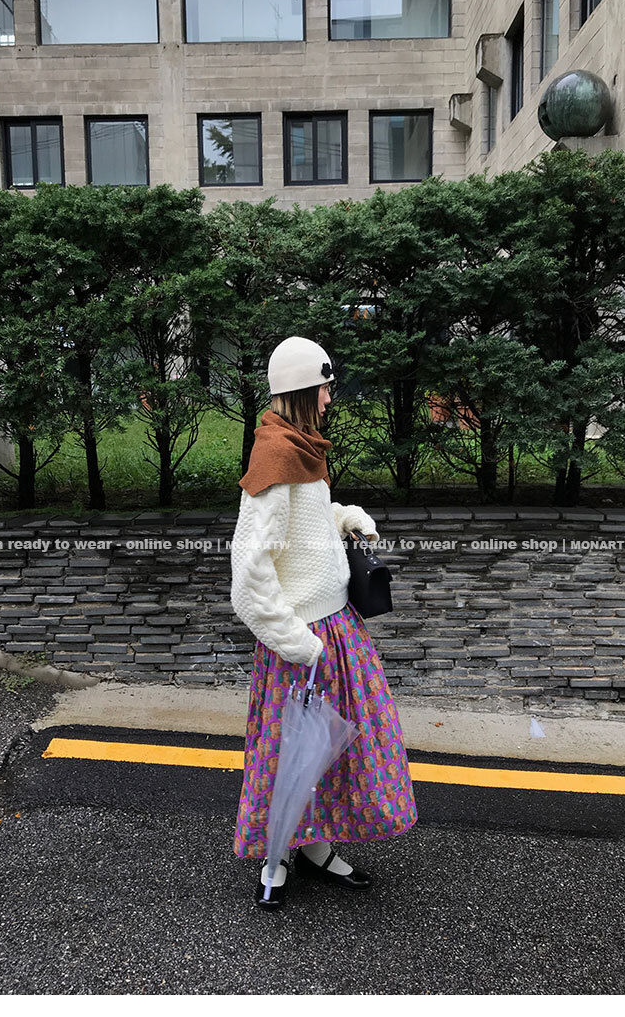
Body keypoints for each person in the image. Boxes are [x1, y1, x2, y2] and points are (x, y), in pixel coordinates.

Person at [230, 335, 418, 911]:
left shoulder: (302, 448)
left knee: (330, 753)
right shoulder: (275, 459)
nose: (331, 398)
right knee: (290, 753)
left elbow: (305, 526)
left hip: (338, 629)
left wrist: (344, 517)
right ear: (303, 390)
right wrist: (297, 643)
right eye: (325, 387)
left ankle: (312, 848)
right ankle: (276, 858)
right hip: (305, 643)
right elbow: (250, 571)